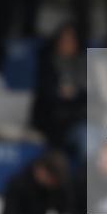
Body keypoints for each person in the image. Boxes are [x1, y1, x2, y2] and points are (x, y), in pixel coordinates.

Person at [30, 21, 87, 155]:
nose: (66, 44)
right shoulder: (46, 63)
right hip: (53, 121)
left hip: (79, 118)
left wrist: (75, 93)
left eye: (71, 40)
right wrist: (60, 93)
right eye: (63, 40)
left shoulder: (84, 64)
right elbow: (44, 94)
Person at [0, 150, 74, 214]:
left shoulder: (57, 187)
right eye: (51, 180)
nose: (52, 184)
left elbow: (65, 210)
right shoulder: (18, 184)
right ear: (41, 170)